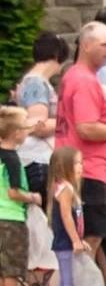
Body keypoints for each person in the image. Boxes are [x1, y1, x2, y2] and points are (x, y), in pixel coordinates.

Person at [56, 22, 106, 286]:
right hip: (88, 169)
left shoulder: (76, 76)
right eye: (104, 45)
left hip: (88, 168)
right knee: (89, 236)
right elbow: (86, 128)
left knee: (95, 235)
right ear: (86, 44)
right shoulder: (83, 80)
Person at [12, 31, 64, 194]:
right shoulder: (37, 83)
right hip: (38, 159)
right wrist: (66, 121)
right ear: (56, 56)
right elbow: (38, 125)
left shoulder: (31, 81)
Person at [0, 107, 37, 286]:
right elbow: (14, 192)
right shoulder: (12, 160)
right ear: (16, 134)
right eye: (25, 129)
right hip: (11, 218)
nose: (27, 133)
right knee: (12, 269)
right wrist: (33, 197)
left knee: (1, 268)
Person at [47, 146, 87, 286]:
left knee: (65, 279)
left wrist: (79, 238)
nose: (81, 167)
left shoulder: (65, 187)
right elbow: (66, 216)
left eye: (81, 163)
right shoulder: (66, 188)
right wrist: (75, 240)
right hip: (65, 241)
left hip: (66, 240)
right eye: (77, 163)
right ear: (65, 166)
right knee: (69, 280)